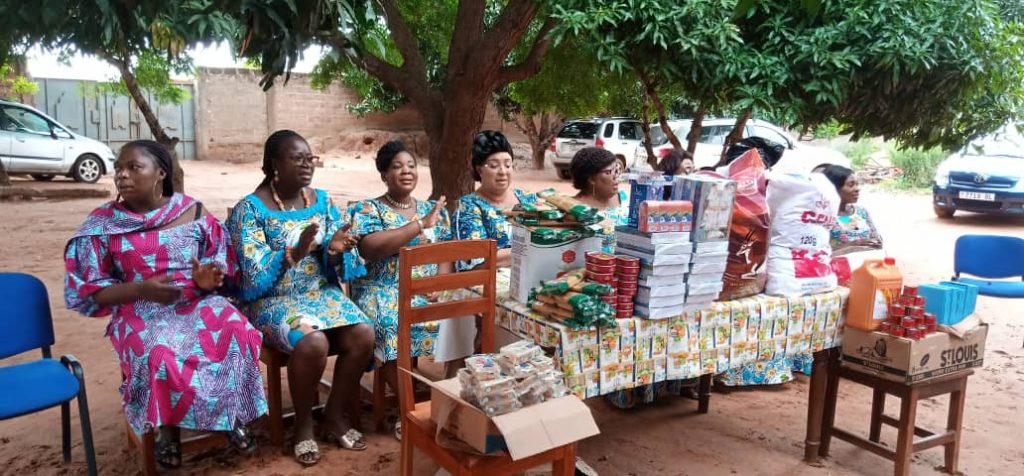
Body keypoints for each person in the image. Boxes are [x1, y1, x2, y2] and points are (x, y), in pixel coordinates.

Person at [64, 140, 267, 470]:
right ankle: (167, 431)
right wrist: (139, 289)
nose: (122, 176)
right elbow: (88, 292)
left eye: (133, 167)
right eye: (119, 169)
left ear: (161, 172)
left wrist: (207, 280)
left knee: (236, 329)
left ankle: (230, 415)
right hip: (139, 309)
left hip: (195, 302)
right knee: (158, 352)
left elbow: (223, 271)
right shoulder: (103, 224)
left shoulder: (194, 213)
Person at [227, 130, 374, 466]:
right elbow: (250, 273)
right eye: (297, 158)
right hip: (271, 301)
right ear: (274, 164)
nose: (307, 164)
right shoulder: (248, 210)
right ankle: (304, 426)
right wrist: (292, 253)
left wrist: (336, 250)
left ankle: (334, 416)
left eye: (310, 158)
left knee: (364, 332)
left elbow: (339, 253)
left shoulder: (321, 200)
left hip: (320, 294)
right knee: (313, 343)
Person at [348, 140, 453, 440]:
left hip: (424, 288)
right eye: (397, 167)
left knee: (463, 318)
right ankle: (412, 409)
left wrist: (438, 286)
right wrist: (419, 226)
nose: (406, 171)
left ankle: (448, 404)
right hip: (380, 288)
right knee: (392, 325)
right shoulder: (369, 209)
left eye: (411, 166)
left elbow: (444, 253)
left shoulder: (433, 209)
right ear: (384, 174)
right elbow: (369, 248)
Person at [569, 147, 628, 252]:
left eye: (617, 170)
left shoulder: (624, 200)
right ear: (591, 179)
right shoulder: (574, 209)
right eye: (609, 172)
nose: (616, 177)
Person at [822, 165, 884, 256]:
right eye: (851, 185)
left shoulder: (861, 212)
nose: (857, 189)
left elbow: (876, 239)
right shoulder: (823, 217)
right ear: (833, 188)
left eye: (857, 184)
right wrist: (850, 246)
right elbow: (817, 253)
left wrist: (877, 243)